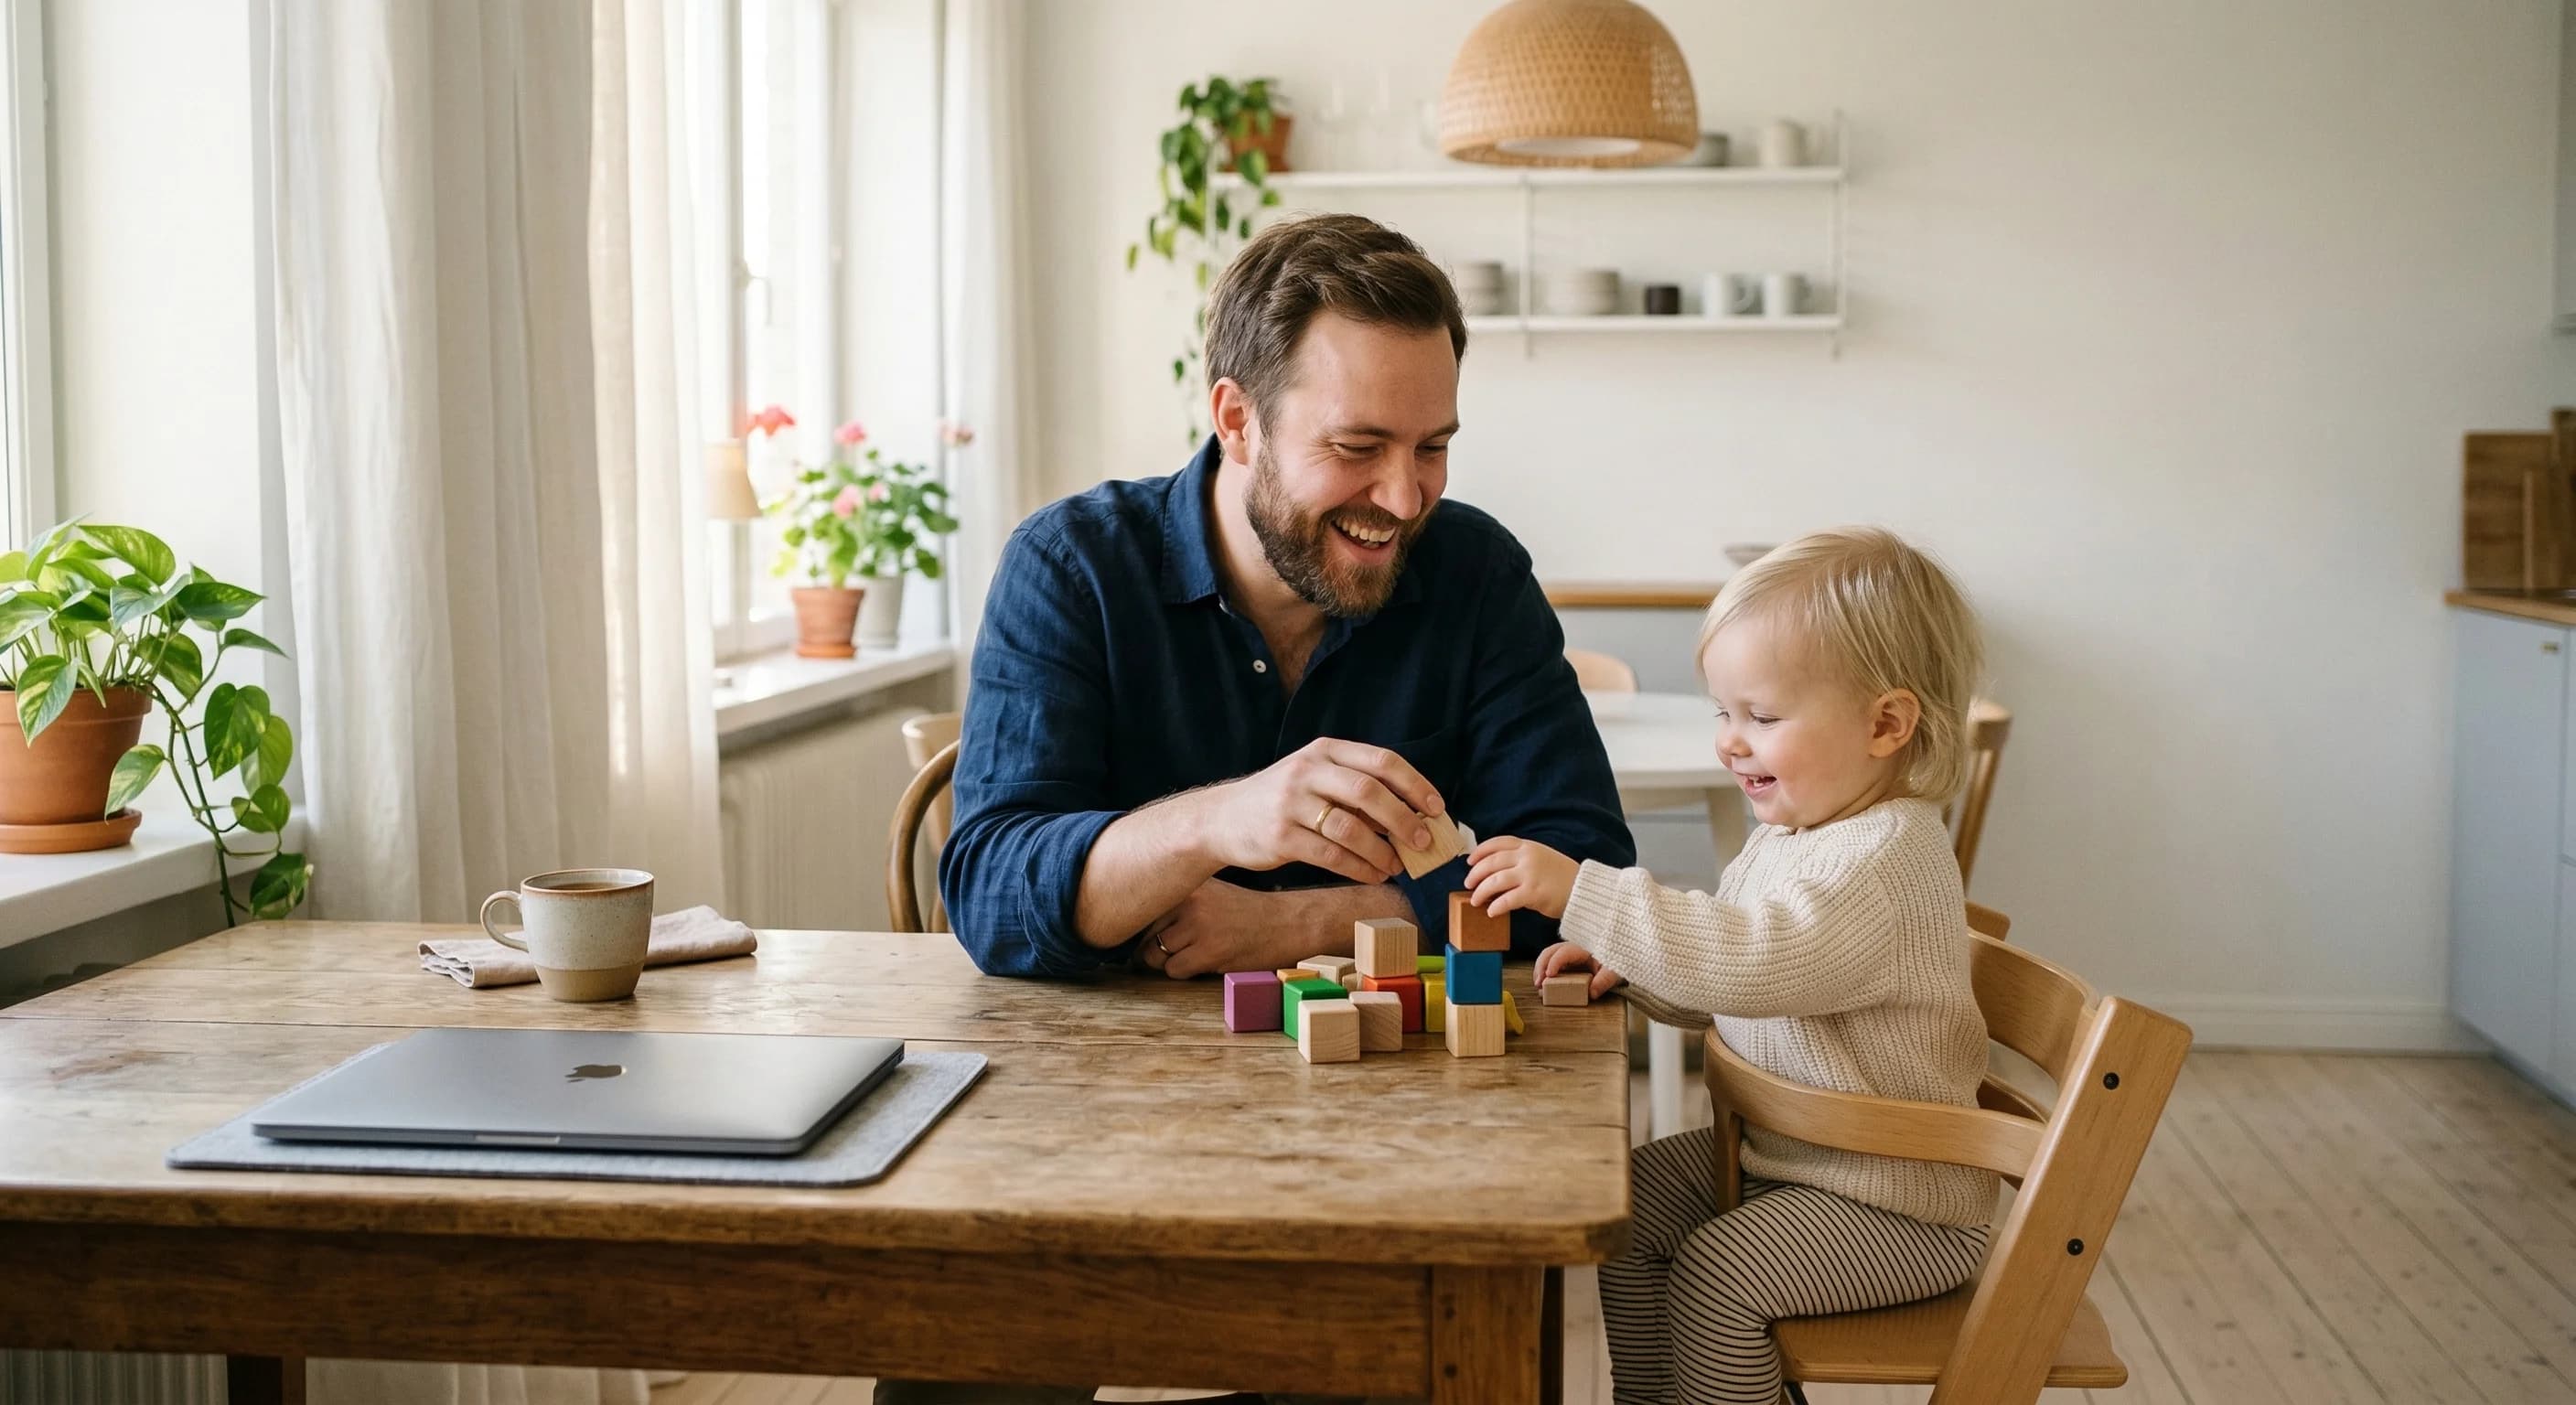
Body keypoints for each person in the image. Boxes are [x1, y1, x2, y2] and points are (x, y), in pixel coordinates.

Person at [939, 212, 1634, 984]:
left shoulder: (1476, 573)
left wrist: (1294, 925)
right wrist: (1215, 822)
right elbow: (992, 894)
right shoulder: (1072, 569)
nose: (1406, 499)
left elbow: (1587, 874)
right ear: (1239, 421)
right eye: (1357, 448)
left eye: (1432, 447)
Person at [1465, 528, 1997, 1405]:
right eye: (1724, 713)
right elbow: (1732, 968)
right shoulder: (1797, 837)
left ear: (1886, 724)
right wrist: (1630, 967)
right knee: (1621, 1214)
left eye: (1763, 717)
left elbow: (1759, 960)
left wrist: (1587, 895)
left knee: (1720, 1275)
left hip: (1897, 1204)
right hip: (1788, 1164)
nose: (1730, 743)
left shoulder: (1887, 856)